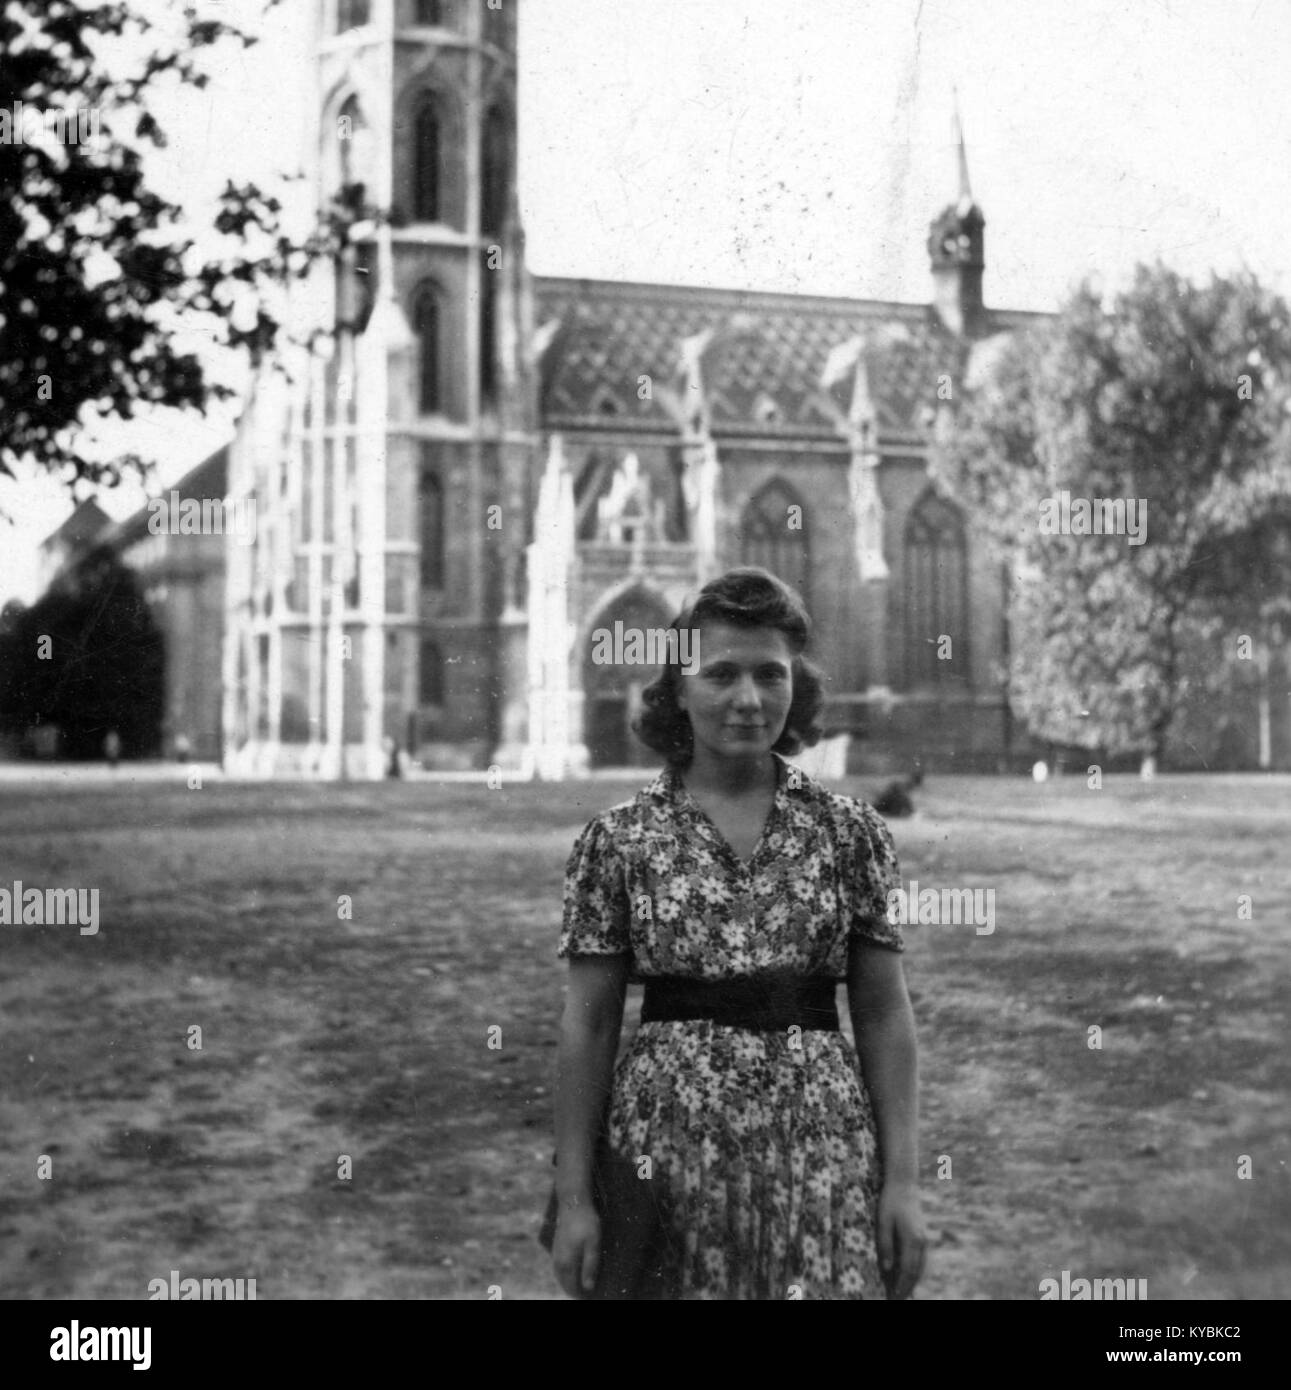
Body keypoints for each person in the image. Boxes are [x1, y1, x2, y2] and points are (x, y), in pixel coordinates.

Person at [550, 568, 925, 1300]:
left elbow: (883, 1013)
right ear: (678, 688)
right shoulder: (618, 841)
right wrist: (574, 1200)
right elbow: (589, 1025)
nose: (748, 699)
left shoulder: (849, 833)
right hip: (666, 1153)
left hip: (822, 1156)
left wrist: (903, 1183)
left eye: (769, 675)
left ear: (796, 688)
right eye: (720, 674)